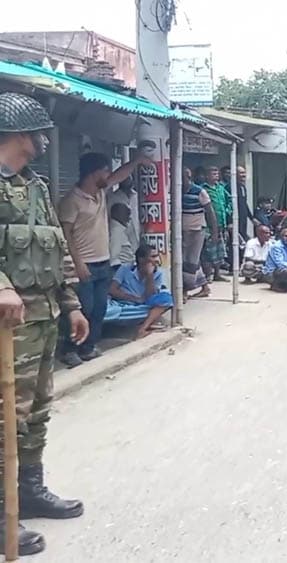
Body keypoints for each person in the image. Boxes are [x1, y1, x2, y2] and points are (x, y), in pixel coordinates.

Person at [0, 92, 89, 555]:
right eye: (36, 132)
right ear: (17, 134)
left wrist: (71, 304)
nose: (42, 140)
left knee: (35, 413)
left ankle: (29, 491)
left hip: (43, 316)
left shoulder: (33, 186)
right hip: (5, 324)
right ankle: (1, 512)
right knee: (3, 419)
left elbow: (55, 250)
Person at [59, 151, 148, 366]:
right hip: (84, 265)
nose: (108, 175)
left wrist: (136, 161)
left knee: (99, 309)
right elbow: (65, 234)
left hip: (103, 262)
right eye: (105, 170)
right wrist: (78, 262)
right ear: (93, 173)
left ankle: (88, 347)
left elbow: (118, 175)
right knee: (83, 308)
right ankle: (70, 349)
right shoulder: (72, 200)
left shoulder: (99, 192)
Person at [106, 244, 173, 339]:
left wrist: (149, 275)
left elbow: (151, 297)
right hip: (123, 305)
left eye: (157, 256)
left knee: (166, 299)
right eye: (153, 257)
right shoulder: (125, 269)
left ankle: (143, 328)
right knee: (107, 310)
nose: (157, 260)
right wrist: (135, 299)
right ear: (141, 259)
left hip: (142, 307)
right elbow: (112, 289)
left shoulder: (157, 273)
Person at [180, 167, 217, 299]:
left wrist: (214, 232)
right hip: (181, 231)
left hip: (196, 231)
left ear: (188, 178)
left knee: (189, 262)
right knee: (188, 260)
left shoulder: (200, 192)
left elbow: (210, 213)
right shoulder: (176, 190)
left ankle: (184, 290)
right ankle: (205, 287)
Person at [200, 166, 232, 282]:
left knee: (220, 250)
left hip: (221, 224)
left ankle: (217, 274)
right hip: (208, 225)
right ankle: (207, 275)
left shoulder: (221, 188)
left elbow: (230, 201)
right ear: (207, 176)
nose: (216, 175)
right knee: (208, 251)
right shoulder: (203, 189)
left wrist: (228, 210)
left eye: (217, 173)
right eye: (213, 173)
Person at [108, 202, 139, 271]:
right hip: (121, 266)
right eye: (127, 214)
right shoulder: (116, 231)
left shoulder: (122, 228)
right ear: (119, 214)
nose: (129, 217)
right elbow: (114, 255)